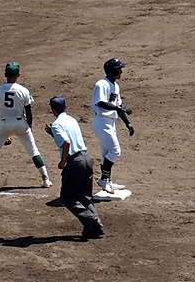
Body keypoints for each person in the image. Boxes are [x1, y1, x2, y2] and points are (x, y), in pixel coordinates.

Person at [0, 61, 52, 189]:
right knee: (33, 151)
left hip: (3, 123)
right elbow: (29, 112)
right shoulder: (23, 90)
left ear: (5, 75)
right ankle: (45, 180)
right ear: (19, 75)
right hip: (20, 124)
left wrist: (0, 128)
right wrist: (29, 128)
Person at [44, 96, 105, 239]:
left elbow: (66, 142)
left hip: (74, 162)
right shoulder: (72, 120)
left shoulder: (57, 124)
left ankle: (91, 219)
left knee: (67, 197)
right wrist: (53, 133)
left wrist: (62, 162)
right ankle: (96, 227)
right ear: (65, 106)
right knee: (84, 197)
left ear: (52, 110)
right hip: (86, 159)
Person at [91, 58, 135, 194]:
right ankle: (104, 179)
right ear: (111, 71)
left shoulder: (115, 86)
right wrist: (118, 108)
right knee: (115, 151)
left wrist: (127, 123)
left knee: (106, 153)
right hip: (101, 121)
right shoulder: (101, 84)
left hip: (110, 122)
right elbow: (101, 103)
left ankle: (107, 181)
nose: (121, 72)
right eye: (118, 69)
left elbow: (119, 107)